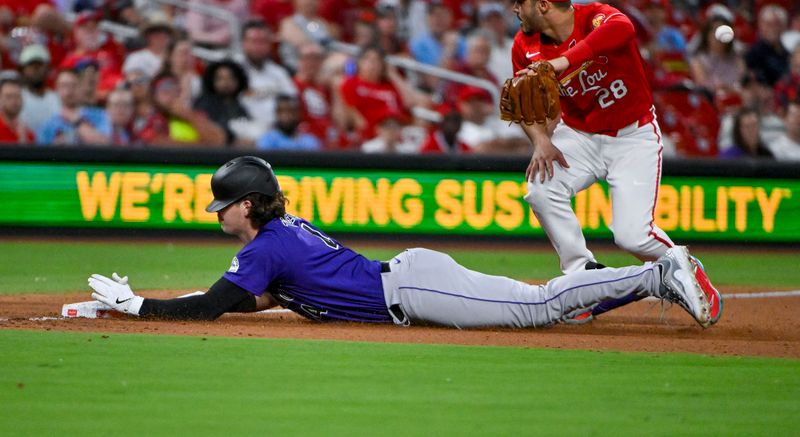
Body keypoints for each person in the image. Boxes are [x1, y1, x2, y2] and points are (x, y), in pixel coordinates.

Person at [87, 156, 721, 330]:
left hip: (411, 288)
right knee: (543, 306)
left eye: (223, 206)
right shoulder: (272, 241)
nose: (217, 215)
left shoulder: (263, 248)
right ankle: (649, 279)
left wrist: (138, 306)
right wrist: (134, 302)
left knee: (539, 306)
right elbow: (240, 301)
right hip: (408, 280)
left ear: (247, 205)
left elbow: (208, 307)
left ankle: (660, 272)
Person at [495, 0, 720, 323]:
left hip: (633, 136)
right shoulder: (525, 45)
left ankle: (688, 270)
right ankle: (582, 278)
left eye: (519, 1)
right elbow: (526, 102)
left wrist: (562, 62)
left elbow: (624, 28)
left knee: (632, 237)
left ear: (542, 5)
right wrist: (540, 140)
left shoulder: (597, 17)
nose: (513, 8)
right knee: (540, 188)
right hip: (579, 135)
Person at [256, 95, 322, 151]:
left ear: (298, 113)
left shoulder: (310, 141)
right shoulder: (267, 140)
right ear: (276, 114)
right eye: (281, 111)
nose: (285, 116)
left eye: (290, 111)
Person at [0, 73, 35, 143]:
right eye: (8, 96)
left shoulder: (29, 134)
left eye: (17, 96)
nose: (14, 101)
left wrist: (23, 141)